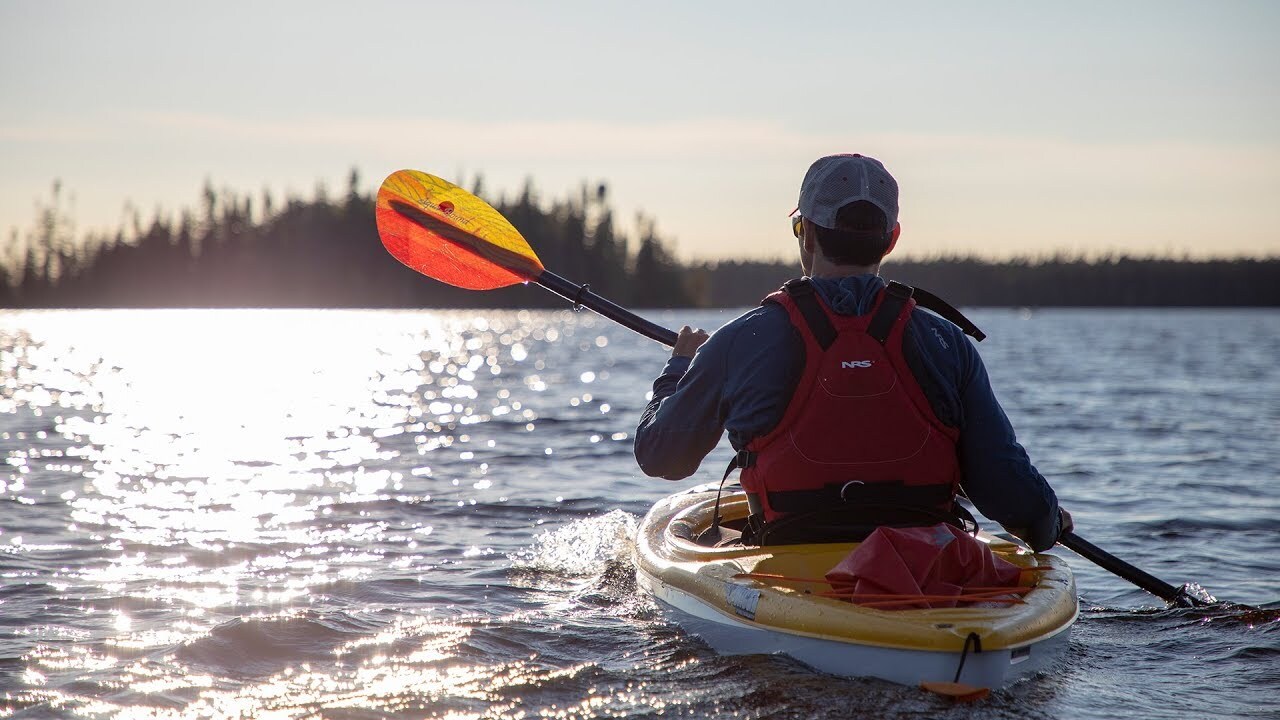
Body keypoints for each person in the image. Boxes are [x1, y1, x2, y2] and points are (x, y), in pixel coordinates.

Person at [634, 153, 1070, 551]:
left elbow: (662, 457)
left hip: (790, 562)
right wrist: (1047, 518)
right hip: (925, 568)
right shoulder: (947, 341)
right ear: (891, 238)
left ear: (805, 234)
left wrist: (679, 368)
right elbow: (1004, 484)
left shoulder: (738, 340)